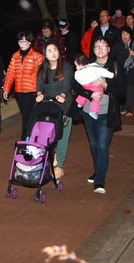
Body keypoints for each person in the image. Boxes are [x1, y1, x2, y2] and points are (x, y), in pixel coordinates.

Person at [73, 37, 126, 194]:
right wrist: (90, 95)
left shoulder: (115, 67)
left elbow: (122, 91)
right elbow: (76, 85)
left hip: (106, 112)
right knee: (94, 144)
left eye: (103, 46)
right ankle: (98, 170)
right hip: (88, 112)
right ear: (93, 49)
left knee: (102, 145)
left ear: (109, 49)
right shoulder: (87, 65)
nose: (100, 48)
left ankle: (100, 180)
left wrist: (105, 86)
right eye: (97, 46)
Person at [35, 42, 74, 179]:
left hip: (64, 106)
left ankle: (60, 165)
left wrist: (62, 95)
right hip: (49, 106)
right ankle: (49, 158)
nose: (53, 53)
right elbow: (39, 85)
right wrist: (39, 93)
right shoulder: (42, 68)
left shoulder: (66, 67)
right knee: (48, 134)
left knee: (62, 136)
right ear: (45, 54)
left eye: (55, 50)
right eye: (50, 50)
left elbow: (66, 84)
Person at [2, 31, 43, 140]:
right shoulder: (15, 56)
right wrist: (6, 89)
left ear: (30, 42)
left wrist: (41, 91)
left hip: (32, 91)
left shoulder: (37, 56)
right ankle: (33, 135)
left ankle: (25, 139)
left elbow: (42, 75)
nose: (22, 43)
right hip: (19, 93)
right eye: (20, 41)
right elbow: (10, 72)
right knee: (28, 116)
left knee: (27, 117)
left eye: (25, 41)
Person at [114, 27, 134, 116]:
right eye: (123, 34)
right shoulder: (117, 45)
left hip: (130, 71)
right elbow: (112, 56)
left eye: (127, 34)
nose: (125, 36)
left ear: (130, 35)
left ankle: (129, 109)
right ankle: (123, 106)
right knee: (121, 90)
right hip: (120, 71)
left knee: (129, 89)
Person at [73, 54, 115, 119]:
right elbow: (104, 72)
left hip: (85, 85)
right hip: (94, 85)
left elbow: (76, 80)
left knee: (85, 92)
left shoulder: (77, 73)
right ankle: (93, 111)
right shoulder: (94, 68)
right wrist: (111, 75)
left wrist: (83, 82)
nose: (76, 68)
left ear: (80, 65)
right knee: (98, 95)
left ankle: (80, 102)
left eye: (76, 65)